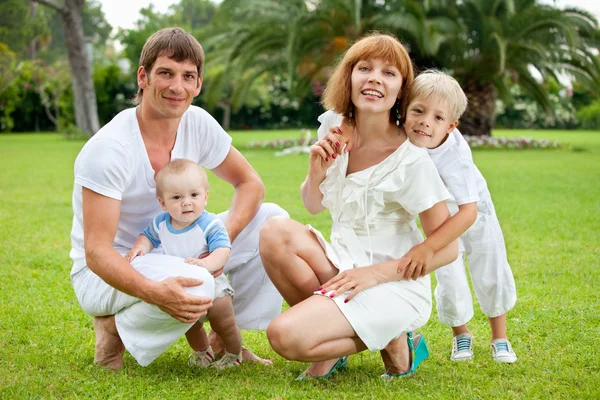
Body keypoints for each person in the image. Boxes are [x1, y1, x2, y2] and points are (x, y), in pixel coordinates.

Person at [69, 27, 288, 370]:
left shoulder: (197, 122)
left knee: (272, 220)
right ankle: (113, 328)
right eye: (166, 73)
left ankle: (223, 340)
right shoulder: (109, 149)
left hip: (181, 247)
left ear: (198, 84)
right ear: (143, 77)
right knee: (200, 282)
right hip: (114, 268)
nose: (177, 87)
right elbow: (96, 252)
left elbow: (250, 184)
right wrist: (154, 292)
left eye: (188, 76)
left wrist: (217, 244)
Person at [258, 33, 459, 380]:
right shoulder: (333, 126)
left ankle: (395, 339)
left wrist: (374, 275)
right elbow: (313, 205)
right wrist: (316, 170)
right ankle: (338, 341)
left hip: (392, 282)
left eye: (389, 73)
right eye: (364, 68)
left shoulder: (411, 161)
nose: (374, 78)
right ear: (349, 76)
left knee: (284, 336)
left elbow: (449, 249)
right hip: (342, 265)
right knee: (274, 232)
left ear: (401, 90)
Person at [330, 70, 518, 363]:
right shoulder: (399, 134)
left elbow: (468, 211)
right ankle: (461, 334)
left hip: (472, 213)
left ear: (451, 126)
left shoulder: (454, 154)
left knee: (489, 266)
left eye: (438, 118)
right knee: (448, 272)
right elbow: (354, 116)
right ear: (403, 109)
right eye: (417, 111)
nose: (425, 122)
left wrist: (426, 248)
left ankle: (500, 337)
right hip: (437, 215)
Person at [124, 159, 242, 369]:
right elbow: (148, 237)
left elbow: (223, 251)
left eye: (194, 195)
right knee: (189, 325)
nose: (186, 202)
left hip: (215, 287)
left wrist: (205, 264)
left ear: (205, 196)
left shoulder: (210, 224)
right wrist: (139, 248)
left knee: (224, 324)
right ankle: (202, 352)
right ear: (163, 203)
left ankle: (234, 353)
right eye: (177, 197)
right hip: (185, 287)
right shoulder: (161, 223)